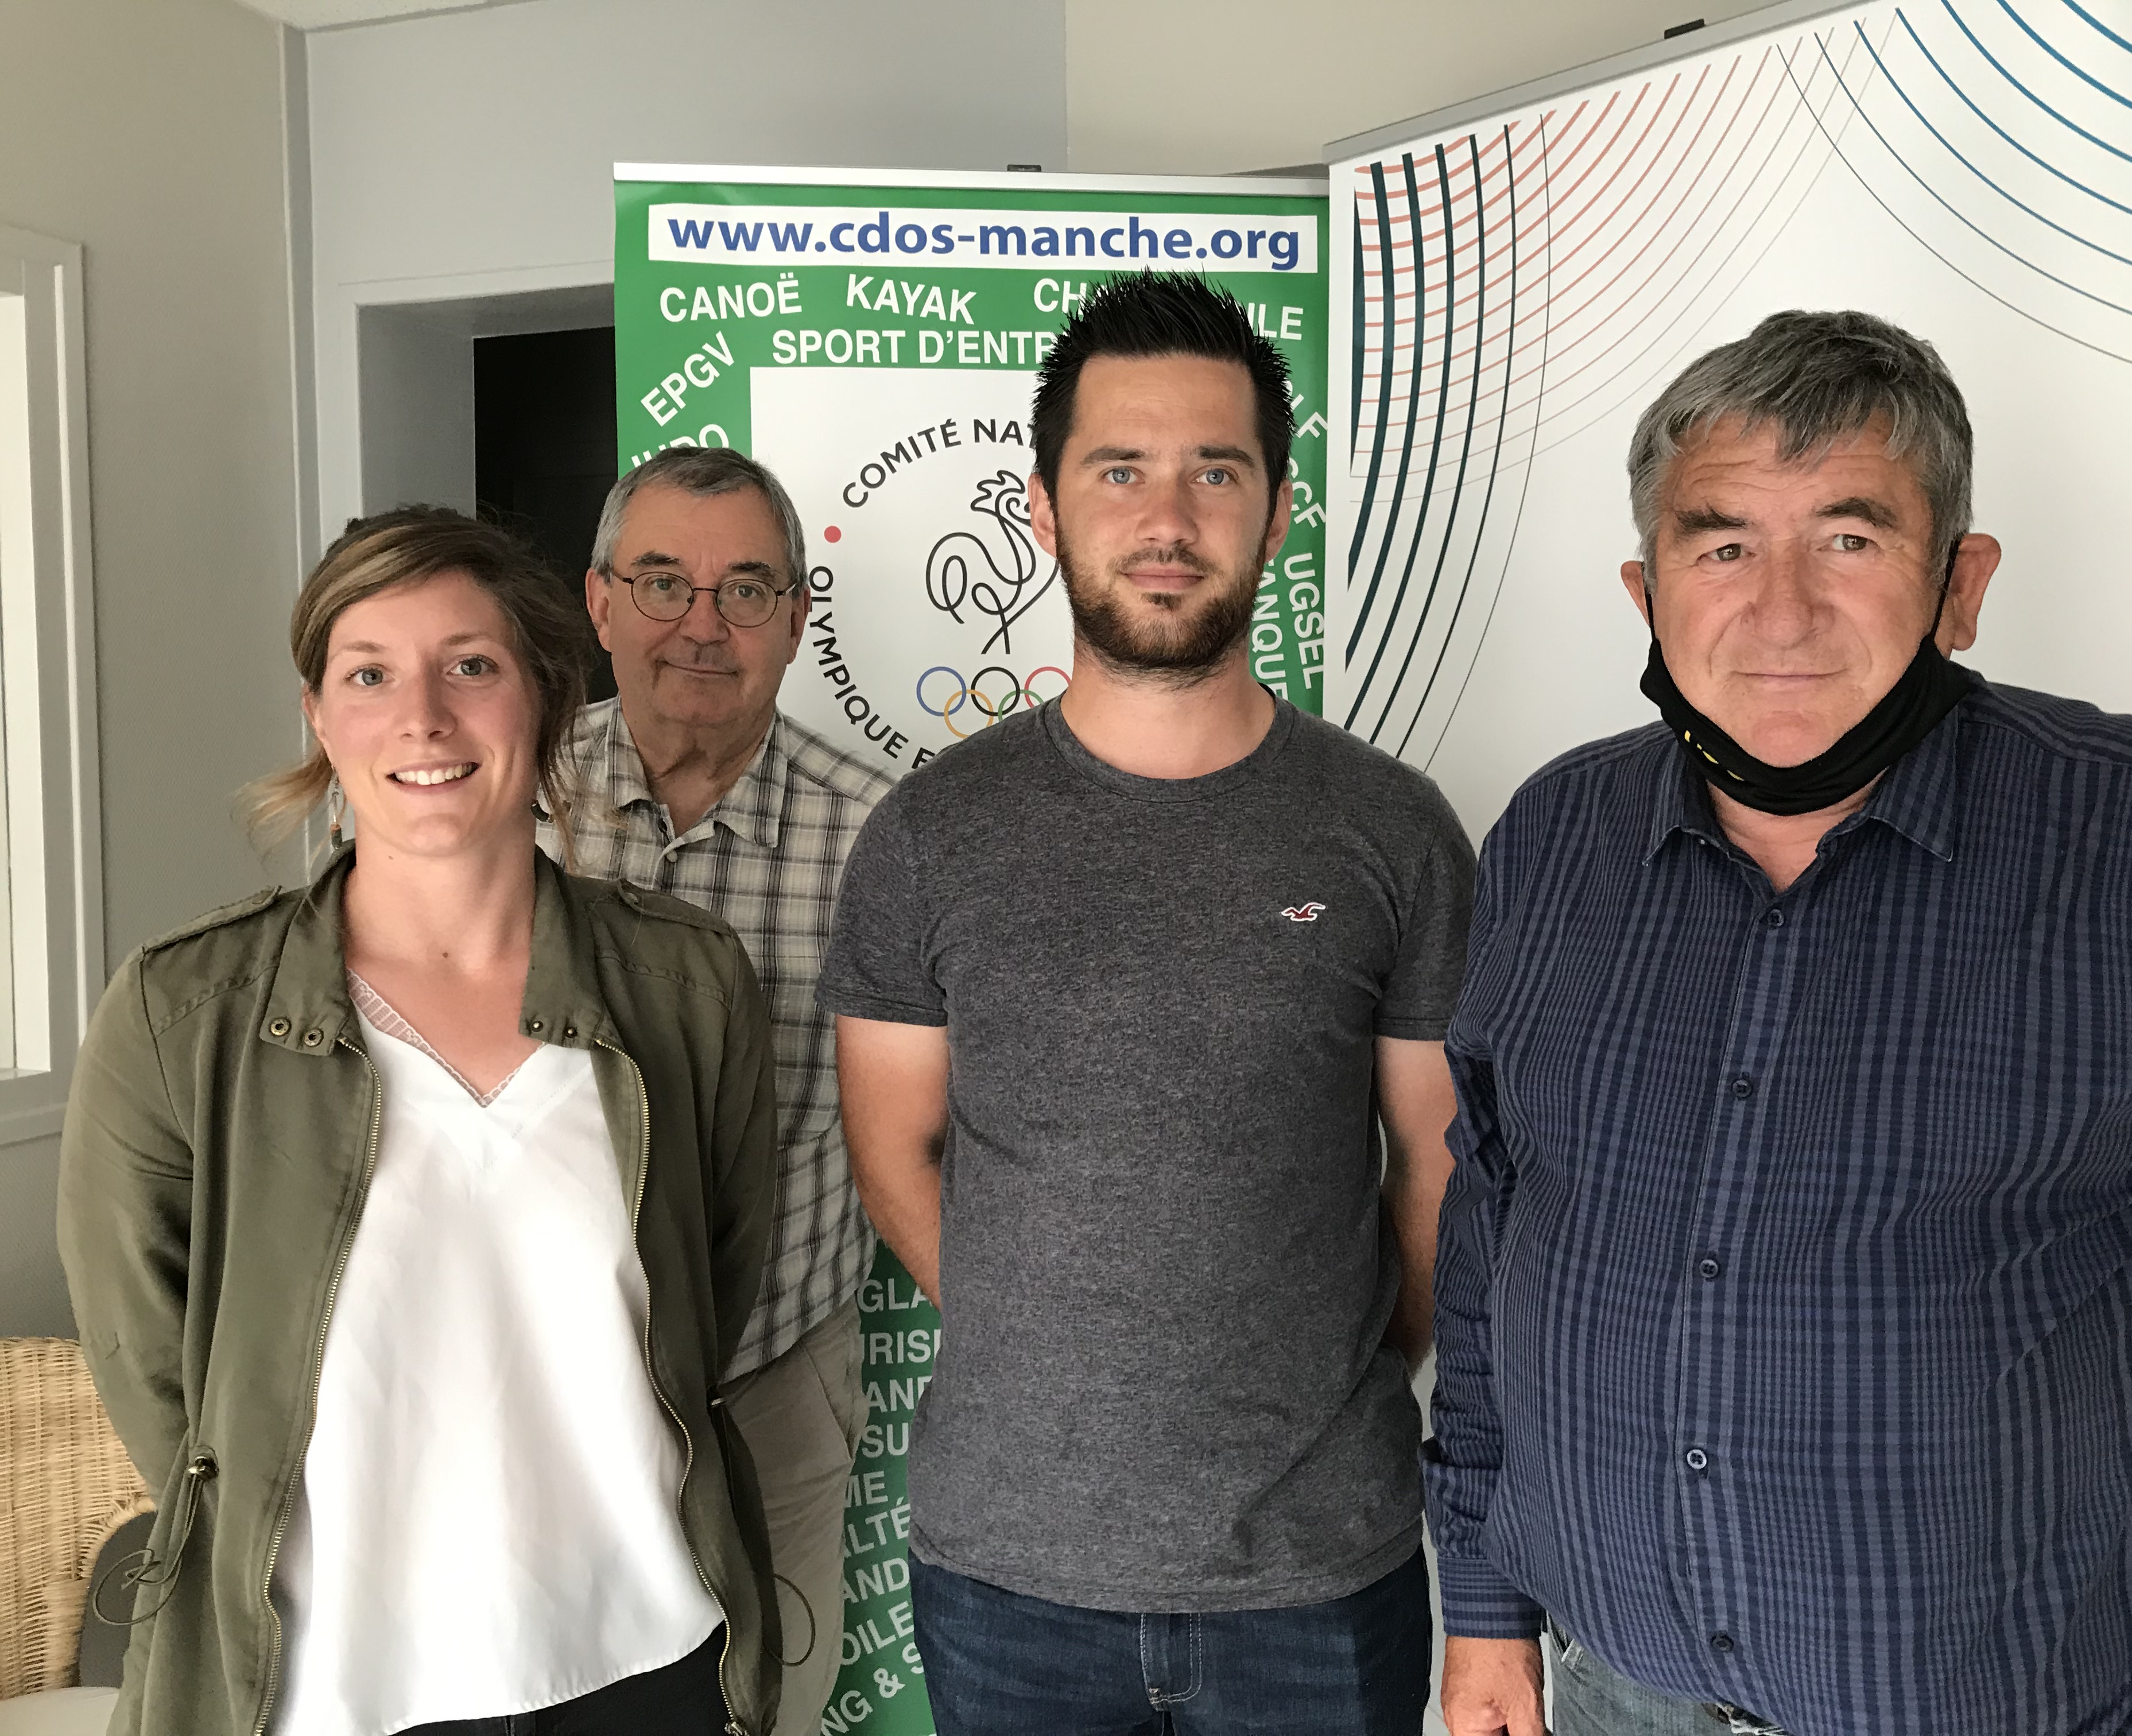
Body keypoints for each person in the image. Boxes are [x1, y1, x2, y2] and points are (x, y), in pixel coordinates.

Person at [1432, 311, 2132, 1736]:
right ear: (1645, 591)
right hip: (1610, 1693)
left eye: (1849, 540)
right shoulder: (1553, 838)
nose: (1780, 613)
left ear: (1959, 586)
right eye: (1721, 547)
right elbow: (1495, 1225)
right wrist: (1482, 1606)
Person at [820, 272, 1475, 1735]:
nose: (1166, 517)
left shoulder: (1393, 830)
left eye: (1214, 472)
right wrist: (1054, 1344)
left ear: (1276, 510)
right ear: (1046, 510)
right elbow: (894, 1154)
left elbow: (1438, 1166)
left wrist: (1338, 1367)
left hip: (1317, 1574)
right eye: (1121, 469)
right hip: (1011, 1578)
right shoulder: (930, 836)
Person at [60, 509, 784, 1736]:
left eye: (471, 666)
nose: (424, 718)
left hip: (644, 1658)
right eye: (370, 674)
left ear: (546, 700)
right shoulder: (187, 1013)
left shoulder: (685, 983)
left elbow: (712, 1278)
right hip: (322, 1675)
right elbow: (157, 1368)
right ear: (320, 715)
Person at [545, 445, 893, 1734]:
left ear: (799, 618)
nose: (703, 623)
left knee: (769, 1711)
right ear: (599, 602)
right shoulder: (491, 803)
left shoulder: (882, 838)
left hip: (774, 1396)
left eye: (747, 589)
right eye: (662, 582)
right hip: (535, 1402)